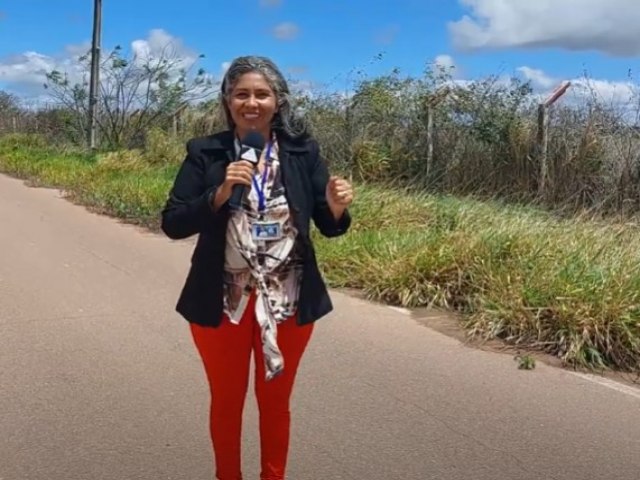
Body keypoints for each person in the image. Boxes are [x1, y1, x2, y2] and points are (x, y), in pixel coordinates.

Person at [160, 55, 354, 480]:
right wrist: (221, 190)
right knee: (227, 402)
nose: (252, 102)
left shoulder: (303, 152)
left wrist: (337, 208)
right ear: (227, 101)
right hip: (221, 300)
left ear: (278, 101)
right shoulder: (204, 152)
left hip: (288, 300)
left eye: (262, 94)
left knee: (275, 401)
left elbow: (326, 222)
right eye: (241, 93)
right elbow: (173, 223)